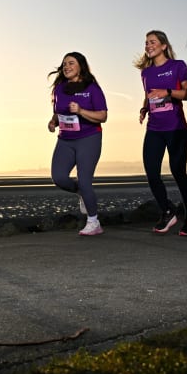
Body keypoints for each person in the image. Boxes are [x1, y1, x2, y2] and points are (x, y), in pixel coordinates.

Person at [135, 30, 187, 235]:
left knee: (178, 172)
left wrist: (168, 92)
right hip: (154, 128)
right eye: (146, 43)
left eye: (152, 42)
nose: (148, 45)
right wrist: (144, 108)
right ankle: (168, 211)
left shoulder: (177, 66)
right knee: (151, 173)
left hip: (176, 128)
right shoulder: (146, 73)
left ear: (163, 46)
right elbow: (148, 95)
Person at [47, 52, 108, 236]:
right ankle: (82, 193)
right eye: (64, 63)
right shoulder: (59, 88)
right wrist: (53, 122)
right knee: (58, 177)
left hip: (89, 138)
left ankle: (93, 222)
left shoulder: (92, 88)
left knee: (84, 180)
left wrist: (81, 110)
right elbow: (58, 112)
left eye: (71, 63)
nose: (66, 66)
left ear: (81, 66)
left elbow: (103, 116)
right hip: (65, 139)